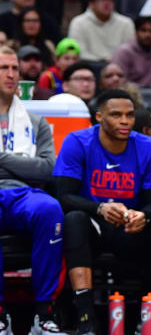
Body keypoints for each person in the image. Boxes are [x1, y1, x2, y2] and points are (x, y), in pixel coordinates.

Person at [54, 89, 151, 335]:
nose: (124, 121)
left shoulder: (148, 146)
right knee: (74, 220)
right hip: (94, 227)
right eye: (116, 115)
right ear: (99, 117)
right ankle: (86, 320)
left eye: (129, 115)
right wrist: (99, 208)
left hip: (132, 227)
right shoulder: (77, 142)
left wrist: (144, 216)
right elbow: (63, 196)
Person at [0, 46, 67, 335]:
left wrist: (1, 158)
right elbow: (34, 166)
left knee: (50, 209)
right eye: (3, 68)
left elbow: (46, 169)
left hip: (24, 195)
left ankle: (45, 313)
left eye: (14, 68)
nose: (11, 74)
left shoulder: (36, 122)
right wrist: (23, 164)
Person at [68, 0, 135, 62]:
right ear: (91, 4)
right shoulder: (78, 22)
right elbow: (78, 52)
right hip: (88, 66)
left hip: (118, 67)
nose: (106, 3)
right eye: (101, 0)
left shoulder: (126, 23)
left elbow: (130, 52)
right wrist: (102, 60)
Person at [111, 16, 151, 88]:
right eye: (143, 30)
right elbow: (119, 81)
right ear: (136, 32)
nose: (148, 35)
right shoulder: (123, 52)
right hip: (128, 93)